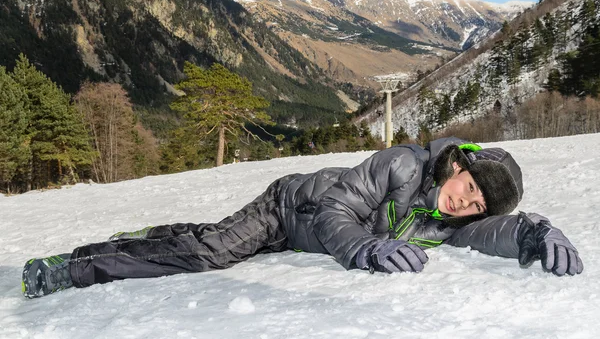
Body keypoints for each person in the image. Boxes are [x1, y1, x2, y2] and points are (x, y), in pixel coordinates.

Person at [21, 137, 583, 299]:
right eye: (468, 187)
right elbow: (338, 209)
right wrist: (365, 248)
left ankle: (147, 238)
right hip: (291, 209)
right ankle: (72, 268)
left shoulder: (455, 222)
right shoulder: (404, 165)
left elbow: (496, 232)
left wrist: (536, 231)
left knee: (208, 241)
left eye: (478, 204)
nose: (466, 203)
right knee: (211, 252)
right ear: (456, 166)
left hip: (309, 240)